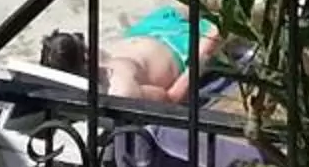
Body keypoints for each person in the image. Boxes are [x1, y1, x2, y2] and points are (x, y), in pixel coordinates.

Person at [38, 6, 215, 105]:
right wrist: (201, 59)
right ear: (83, 62)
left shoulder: (94, 66)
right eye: (82, 43)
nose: (87, 43)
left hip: (148, 30)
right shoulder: (122, 90)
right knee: (224, 19)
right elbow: (171, 98)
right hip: (182, 48)